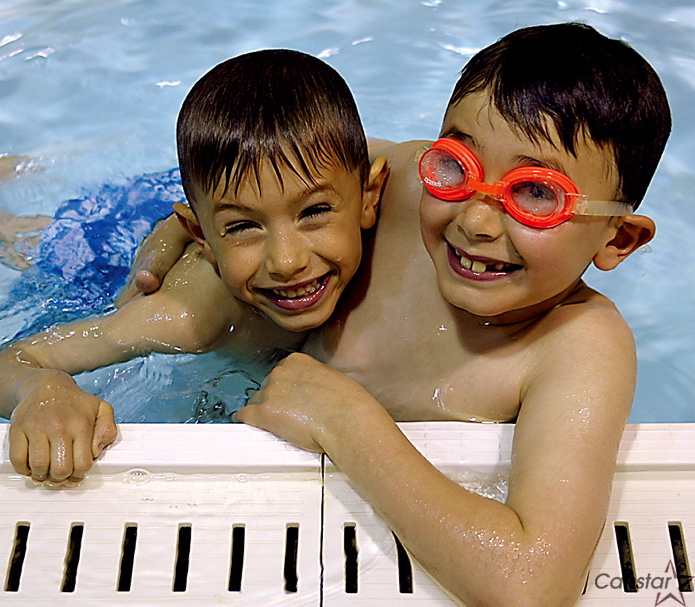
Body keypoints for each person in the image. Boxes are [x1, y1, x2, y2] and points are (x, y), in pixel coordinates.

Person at [127, 23, 671, 606]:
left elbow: (531, 586)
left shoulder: (579, 344)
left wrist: (345, 420)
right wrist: (168, 233)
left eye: (536, 192)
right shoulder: (407, 183)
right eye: (458, 164)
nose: (476, 221)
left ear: (618, 240)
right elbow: (274, 180)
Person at [0, 49, 388, 485]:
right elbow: (7, 363)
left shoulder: (399, 236)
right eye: (243, 227)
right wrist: (42, 390)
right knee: (30, 241)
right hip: (107, 248)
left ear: (370, 198)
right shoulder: (187, 316)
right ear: (200, 235)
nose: (287, 261)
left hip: (216, 190)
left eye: (314, 211)